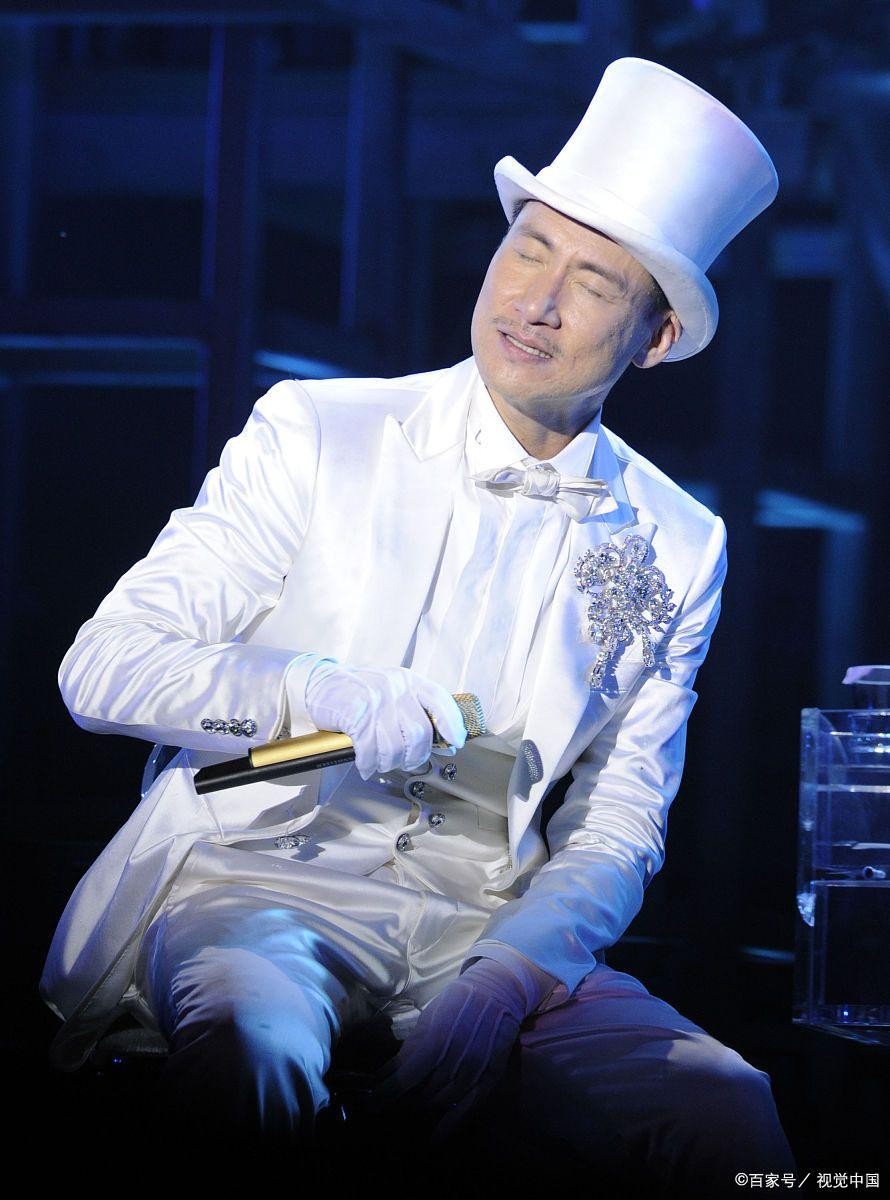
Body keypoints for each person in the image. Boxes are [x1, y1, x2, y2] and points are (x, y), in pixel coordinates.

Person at [40, 57, 796, 1194]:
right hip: (258, 886)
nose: (535, 303)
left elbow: (617, 821)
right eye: (526, 250)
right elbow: (102, 668)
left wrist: (509, 976)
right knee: (251, 1056)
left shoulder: (678, 541)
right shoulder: (318, 432)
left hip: (484, 927)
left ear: (653, 337)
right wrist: (314, 689)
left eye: (593, 283)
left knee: (723, 1107)